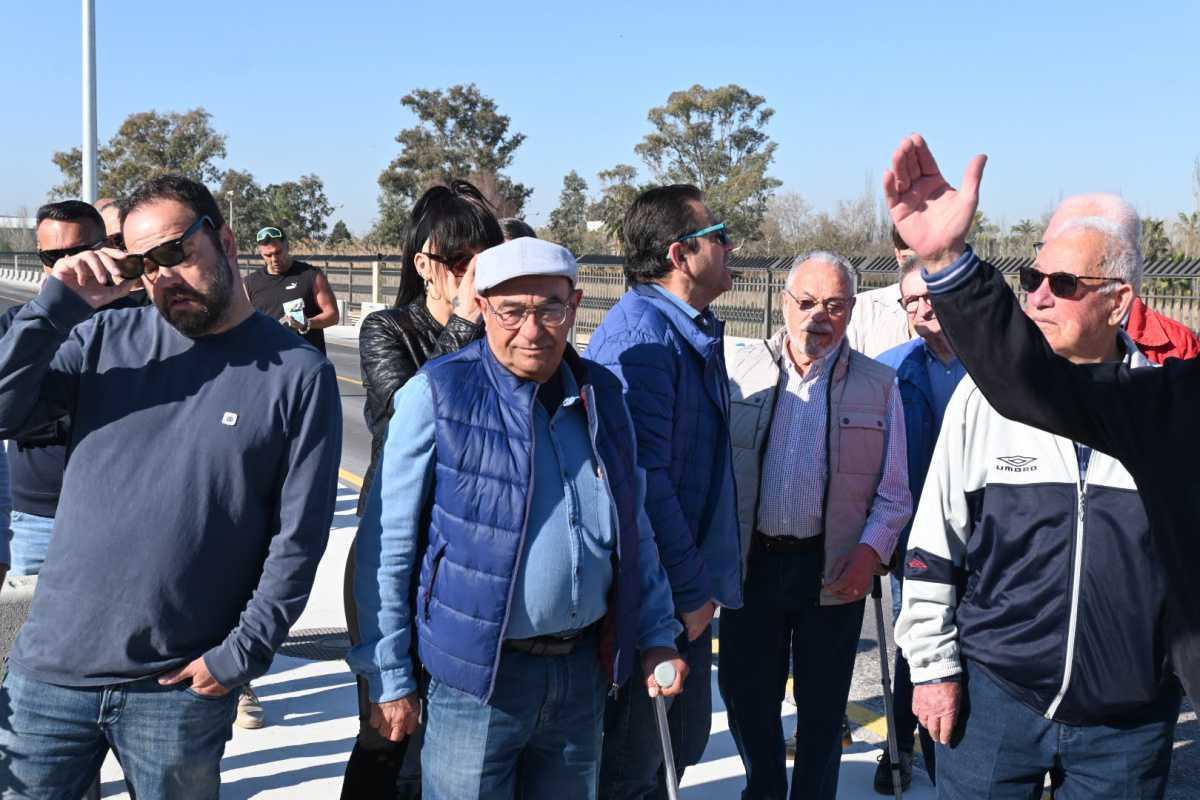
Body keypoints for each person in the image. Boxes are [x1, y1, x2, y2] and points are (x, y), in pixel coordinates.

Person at [0, 176, 342, 798]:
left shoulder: (298, 373)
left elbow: (298, 538)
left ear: (226, 241)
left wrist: (239, 657)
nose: (162, 276)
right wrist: (55, 308)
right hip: (49, 676)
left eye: (173, 251)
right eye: (142, 264)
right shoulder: (99, 339)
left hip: (177, 689)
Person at [884, 133, 1200, 792]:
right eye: (1031, 280)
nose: (1038, 298)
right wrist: (934, 670)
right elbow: (934, 545)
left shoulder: (1169, 408)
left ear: (1120, 300)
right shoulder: (987, 398)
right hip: (995, 705)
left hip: (1128, 724)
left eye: (1063, 284)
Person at [350, 236, 687, 799]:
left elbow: (635, 528)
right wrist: (388, 675)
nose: (532, 330)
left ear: (574, 306)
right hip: (475, 685)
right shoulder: (437, 393)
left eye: (550, 308)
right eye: (511, 311)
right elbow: (387, 547)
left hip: (580, 676)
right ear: (482, 308)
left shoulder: (603, 395)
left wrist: (656, 633)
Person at [719, 251, 911, 800]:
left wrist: (869, 555)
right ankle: (762, 790)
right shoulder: (740, 372)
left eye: (833, 305)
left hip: (832, 570)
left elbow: (895, 492)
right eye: (805, 302)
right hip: (752, 565)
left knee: (823, 710)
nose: (817, 316)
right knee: (745, 695)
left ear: (851, 309)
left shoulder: (880, 385)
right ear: (784, 303)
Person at [344, 179, 503, 798]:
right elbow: (402, 419)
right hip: (396, 555)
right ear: (423, 265)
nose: (474, 274)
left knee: (460, 737)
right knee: (389, 727)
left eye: (485, 258)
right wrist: (465, 322)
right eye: (459, 260)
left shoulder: (505, 336)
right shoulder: (387, 329)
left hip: (466, 560)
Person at [587, 184, 743, 797]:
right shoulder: (643, 342)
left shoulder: (683, 331)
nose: (730, 246)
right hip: (661, 597)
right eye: (719, 235)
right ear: (680, 255)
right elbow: (643, 487)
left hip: (684, 590)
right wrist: (690, 590)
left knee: (680, 744)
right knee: (635, 766)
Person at [1, 202, 147, 580]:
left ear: (106, 248)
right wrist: (49, 314)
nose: (69, 265)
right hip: (34, 518)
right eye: (53, 257)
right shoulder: (18, 326)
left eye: (80, 252)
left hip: (122, 514)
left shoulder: (144, 320)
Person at [873, 255, 965, 792]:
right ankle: (900, 746)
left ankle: (956, 755)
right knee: (916, 642)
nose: (923, 308)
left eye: (931, 295)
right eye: (911, 300)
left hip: (986, 538)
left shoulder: (993, 367)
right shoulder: (887, 370)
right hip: (914, 540)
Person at [1039, 193, 1200, 364]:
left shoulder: (1179, 349)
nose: (1039, 298)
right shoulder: (1022, 338)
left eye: (1069, 246)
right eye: (1044, 246)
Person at [243, 226, 340, 354]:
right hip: (271, 360)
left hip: (306, 360)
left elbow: (333, 316)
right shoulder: (250, 283)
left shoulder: (311, 275)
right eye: (268, 255)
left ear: (287, 247)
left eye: (278, 252)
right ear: (261, 253)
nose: (274, 259)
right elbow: (243, 323)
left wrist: (307, 323)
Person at [844, 227, 915, 357]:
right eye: (910, 259)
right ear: (898, 256)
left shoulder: (953, 309)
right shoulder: (862, 309)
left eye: (928, 258)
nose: (918, 268)